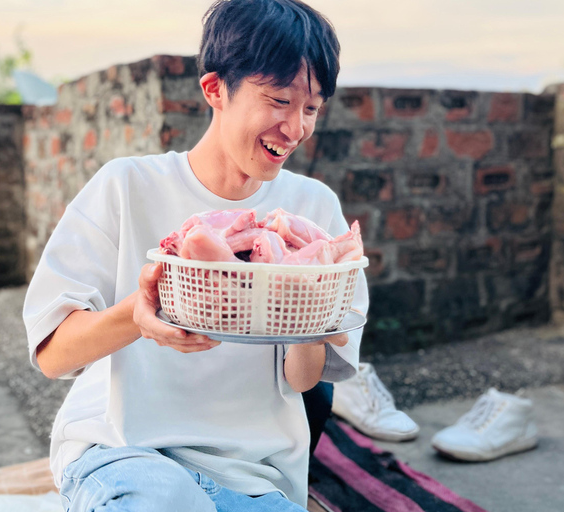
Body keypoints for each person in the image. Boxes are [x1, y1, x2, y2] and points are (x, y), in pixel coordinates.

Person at [23, 1, 368, 510]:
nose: (296, 128)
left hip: (254, 471)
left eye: (311, 108)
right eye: (278, 100)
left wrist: (310, 317)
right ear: (215, 90)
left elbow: (303, 381)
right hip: (127, 448)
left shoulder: (313, 209)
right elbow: (52, 355)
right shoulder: (127, 186)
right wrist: (140, 314)